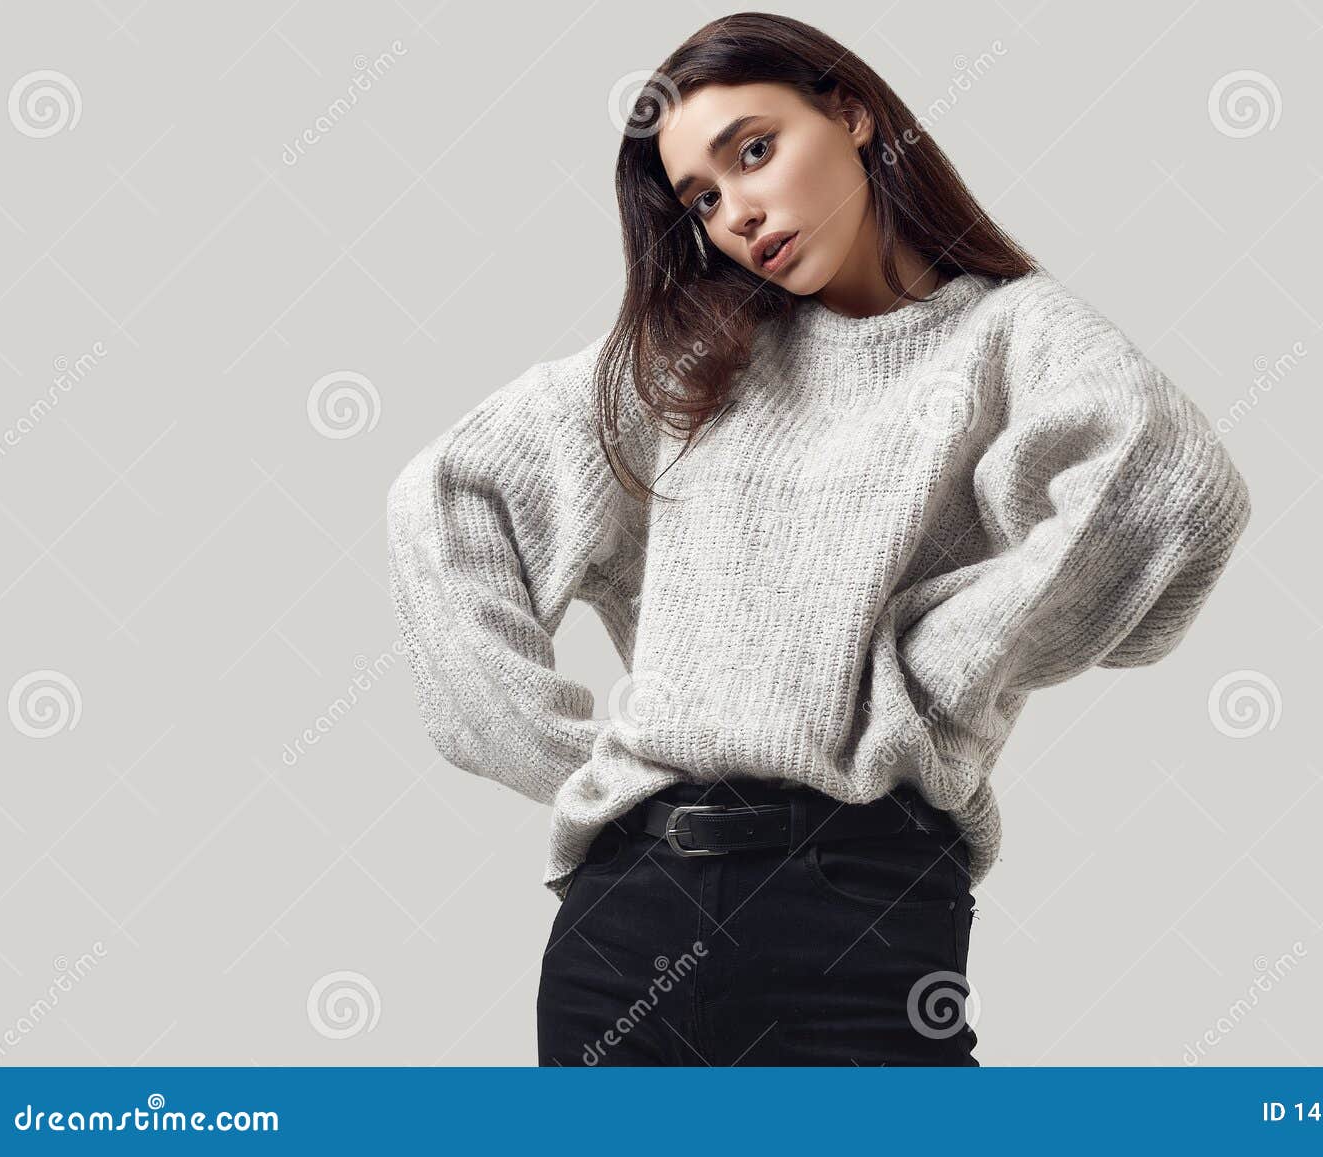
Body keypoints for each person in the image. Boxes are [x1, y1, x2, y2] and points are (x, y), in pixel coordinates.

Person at [385, 12, 1252, 1066]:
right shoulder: (683, 364)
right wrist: (573, 762)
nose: (738, 212)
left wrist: (930, 671)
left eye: (754, 150)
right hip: (624, 923)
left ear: (852, 114)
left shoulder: (1009, 331)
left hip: (860, 907)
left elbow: (1172, 486)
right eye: (701, 197)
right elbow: (444, 496)